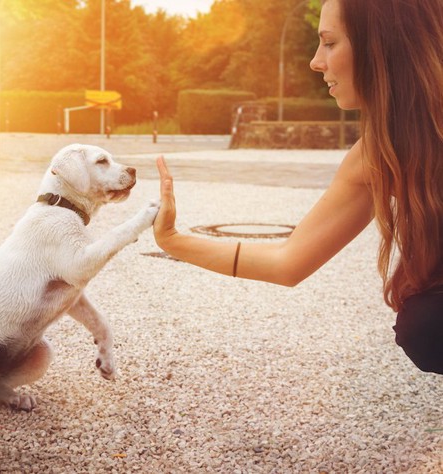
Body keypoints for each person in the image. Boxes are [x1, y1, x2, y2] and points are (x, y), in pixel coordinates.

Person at [153, 0, 443, 374]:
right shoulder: (377, 154)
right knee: (424, 323)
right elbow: (288, 262)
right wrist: (172, 240)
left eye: (330, 42)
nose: (316, 61)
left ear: (381, 44)